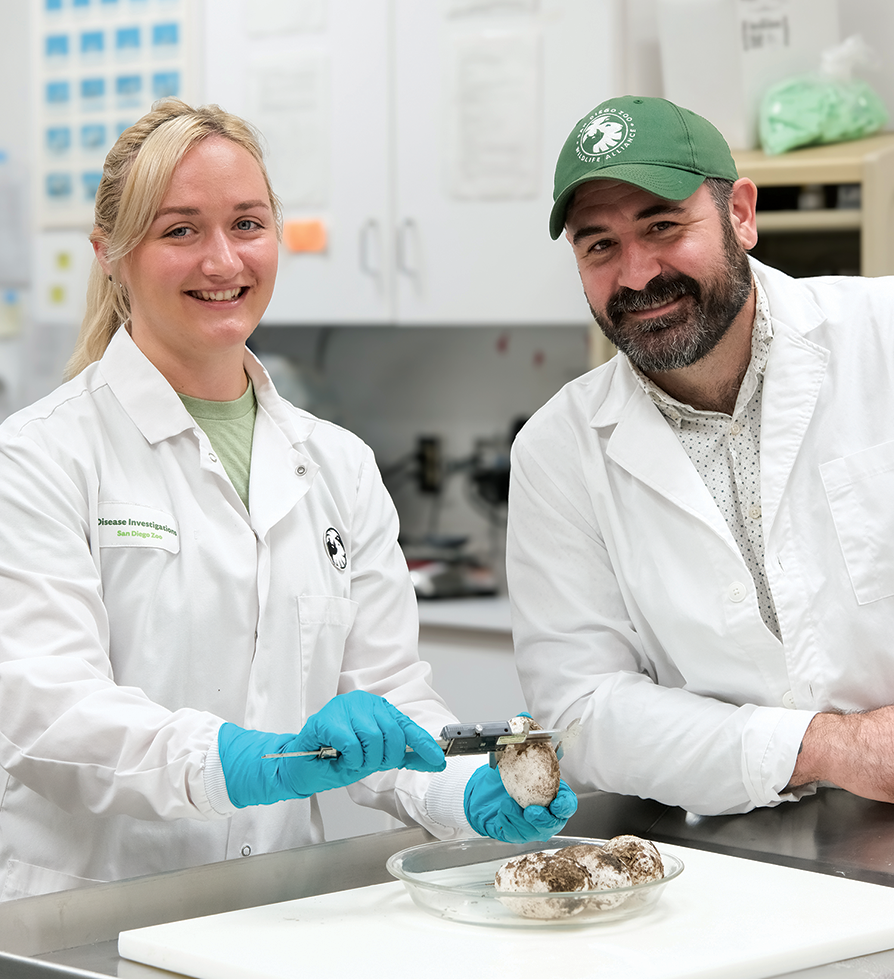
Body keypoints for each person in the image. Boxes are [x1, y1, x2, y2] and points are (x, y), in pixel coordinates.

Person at [0, 99, 574, 900]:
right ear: (109, 253)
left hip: (269, 910)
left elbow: (389, 700)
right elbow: (48, 718)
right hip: (86, 913)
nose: (223, 260)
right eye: (180, 230)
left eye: (247, 223)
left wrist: (465, 793)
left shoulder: (337, 463)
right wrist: (240, 761)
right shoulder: (39, 458)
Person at [507, 93, 894, 818]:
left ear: (740, 214)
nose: (636, 273)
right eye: (599, 246)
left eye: (662, 225)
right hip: (725, 850)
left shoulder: (884, 339)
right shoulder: (557, 451)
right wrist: (835, 748)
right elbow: (582, 712)